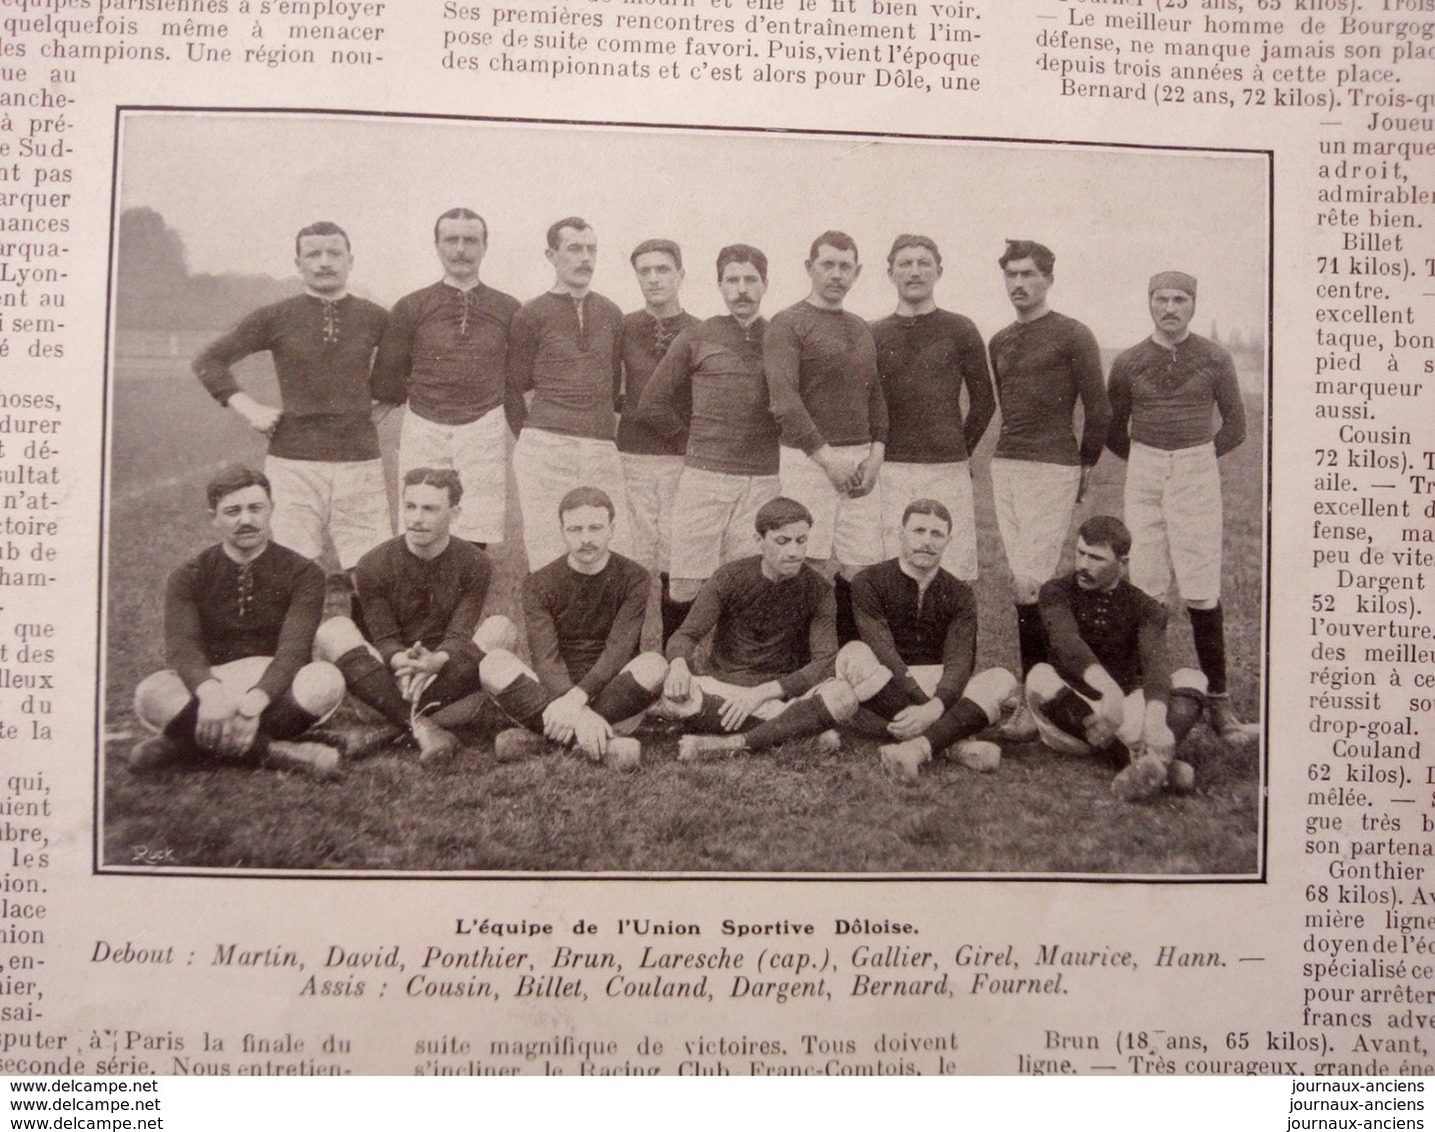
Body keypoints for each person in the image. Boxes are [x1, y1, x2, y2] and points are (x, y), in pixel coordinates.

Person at [192, 221, 393, 582]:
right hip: (293, 461)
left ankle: (371, 641)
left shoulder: (375, 316)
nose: (324, 262)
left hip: (359, 458)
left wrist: (386, 404)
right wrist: (248, 407)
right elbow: (208, 360)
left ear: (351, 260)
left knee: (371, 569)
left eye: (334, 253)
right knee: (294, 568)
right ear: (298, 263)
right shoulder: (276, 316)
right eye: (313, 254)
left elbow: (412, 364)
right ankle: (299, 640)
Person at [1106, 271, 1257, 744]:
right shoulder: (1129, 361)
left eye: (1180, 299)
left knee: (1200, 587)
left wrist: (1193, 458)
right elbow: (1115, 429)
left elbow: (1235, 425)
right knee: (1147, 587)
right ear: (1149, 304)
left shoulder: (1215, 356)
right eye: (1160, 299)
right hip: (1145, 468)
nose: (1169, 308)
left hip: (1196, 469)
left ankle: (1219, 705)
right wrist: (1153, 459)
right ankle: (1144, 692)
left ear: (1193, 305)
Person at [129, 465, 345, 777]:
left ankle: (183, 746)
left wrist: (254, 703)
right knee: (151, 692)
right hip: (211, 689)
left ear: (271, 510)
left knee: (325, 679)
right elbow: (183, 649)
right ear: (213, 517)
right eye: (233, 511)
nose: (246, 520)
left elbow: (294, 651)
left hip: (274, 689)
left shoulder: (304, 572)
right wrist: (211, 695)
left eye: (256, 509)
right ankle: (279, 752)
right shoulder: (188, 574)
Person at [986, 239, 1111, 735]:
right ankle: (1043, 694)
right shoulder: (998, 340)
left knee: (1031, 582)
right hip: (1006, 465)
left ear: (1048, 279)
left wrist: (1085, 466)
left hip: (1052, 466)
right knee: (1022, 583)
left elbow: (1098, 409)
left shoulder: (1073, 334)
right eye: (1011, 275)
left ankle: (1041, 704)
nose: (1019, 283)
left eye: (1029, 275)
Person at [313, 468, 516, 765]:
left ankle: (394, 728)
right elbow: (384, 639)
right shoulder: (372, 563)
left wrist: (436, 661)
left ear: (454, 512)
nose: (417, 518)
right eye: (410, 506)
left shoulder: (475, 563)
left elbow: (459, 635)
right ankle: (422, 728)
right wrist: (400, 660)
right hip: (386, 685)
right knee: (333, 629)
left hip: (448, 688)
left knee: (503, 628)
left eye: (430, 508)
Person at [636, 244, 782, 645]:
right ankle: (674, 673)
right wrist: (694, 442)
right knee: (685, 581)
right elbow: (652, 403)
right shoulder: (697, 335)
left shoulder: (781, 336)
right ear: (719, 285)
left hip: (763, 479)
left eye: (750, 279)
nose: (741, 289)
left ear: (765, 284)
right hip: (703, 478)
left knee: (747, 581)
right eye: (732, 280)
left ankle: (733, 671)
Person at [661, 497, 865, 761]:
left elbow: (825, 660)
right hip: (725, 690)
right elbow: (686, 635)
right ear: (759, 541)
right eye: (783, 541)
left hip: (782, 694)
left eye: (801, 540)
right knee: (673, 697)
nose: (794, 551)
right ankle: (796, 732)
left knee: (843, 696)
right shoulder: (728, 577)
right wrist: (678, 664)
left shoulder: (819, 590)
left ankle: (727, 743)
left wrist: (761, 694)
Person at [480, 488, 667, 769]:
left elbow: (619, 648)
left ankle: (545, 741)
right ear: (563, 532)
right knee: (492, 663)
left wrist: (577, 701)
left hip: (612, 696)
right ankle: (599, 741)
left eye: (595, 528)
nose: (586, 539)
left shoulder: (634, 577)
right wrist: (577, 711)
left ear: (612, 529)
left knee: (654, 664)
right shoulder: (538, 582)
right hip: (553, 697)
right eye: (575, 529)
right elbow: (545, 657)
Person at [1027, 516, 1210, 802]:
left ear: (1122, 564)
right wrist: (1107, 689)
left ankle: (1147, 760)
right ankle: (1149, 762)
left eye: (1096, 558)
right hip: (1071, 714)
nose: (1083, 565)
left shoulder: (1147, 607)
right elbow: (1067, 644)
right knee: (1039, 675)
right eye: (1080, 553)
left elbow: (1154, 665)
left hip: (1126, 713)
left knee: (1194, 677)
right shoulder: (1056, 591)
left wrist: (1155, 721)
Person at [764, 230, 888, 643]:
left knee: (861, 568)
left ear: (857, 271)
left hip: (859, 462)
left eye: (845, 266)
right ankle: (796, 662)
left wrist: (875, 455)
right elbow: (784, 400)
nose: (836, 274)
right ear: (809, 267)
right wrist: (826, 458)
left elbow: (875, 395)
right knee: (807, 561)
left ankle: (853, 667)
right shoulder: (787, 322)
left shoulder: (860, 327)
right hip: (808, 459)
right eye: (827, 265)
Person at [371, 208, 520, 549]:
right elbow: (389, 373)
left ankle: (462, 600)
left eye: (470, 240)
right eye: (451, 240)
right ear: (437, 245)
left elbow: (520, 372)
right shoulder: (412, 305)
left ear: (485, 246)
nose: (460, 250)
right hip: (425, 424)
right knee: (420, 521)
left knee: (476, 525)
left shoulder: (508, 308)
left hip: (484, 425)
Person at [842, 499, 1018, 779]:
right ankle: (953, 744)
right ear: (901, 534)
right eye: (918, 531)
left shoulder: (959, 592)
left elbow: (961, 658)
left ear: (948, 540)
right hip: (883, 691)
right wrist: (927, 708)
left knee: (1003, 679)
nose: (926, 541)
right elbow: (881, 647)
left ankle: (917, 748)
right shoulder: (870, 580)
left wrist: (935, 706)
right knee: (852, 654)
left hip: (936, 691)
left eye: (936, 534)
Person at [505, 217, 634, 570]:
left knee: (611, 545)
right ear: (552, 255)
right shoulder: (531, 313)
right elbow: (513, 388)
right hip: (545, 447)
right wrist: (532, 439)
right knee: (548, 546)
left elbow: (611, 382)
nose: (585, 258)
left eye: (591, 249)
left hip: (600, 446)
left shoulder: (611, 312)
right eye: (574, 249)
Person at [871, 235, 995, 582]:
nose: (914, 272)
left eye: (923, 263)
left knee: (952, 573)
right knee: (892, 570)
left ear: (938, 271)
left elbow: (984, 402)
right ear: (890, 273)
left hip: (947, 467)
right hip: (890, 468)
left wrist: (958, 450)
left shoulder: (960, 328)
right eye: (905, 264)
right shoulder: (874, 333)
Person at [616, 238, 700, 590]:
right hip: (631, 454)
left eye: (662, 269)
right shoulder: (623, 326)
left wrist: (686, 440)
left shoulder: (700, 330)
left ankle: (672, 644)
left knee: (677, 550)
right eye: (644, 271)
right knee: (631, 553)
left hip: (681, 457)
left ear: (680, 275)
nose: (654, 278)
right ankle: (629, 643)